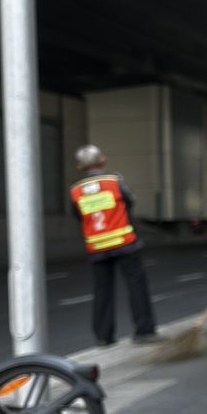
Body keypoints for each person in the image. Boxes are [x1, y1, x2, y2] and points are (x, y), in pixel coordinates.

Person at [69, 145, 158, 346]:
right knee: (136, 286)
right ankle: (144, 331)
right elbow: (130, 202)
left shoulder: (75, 191)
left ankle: (103, 336)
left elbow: (77, 216)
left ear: (80, 166)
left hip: (97, 247)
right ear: (103, 161)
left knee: (102, 291)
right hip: (124, 243)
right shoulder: (114, 182)